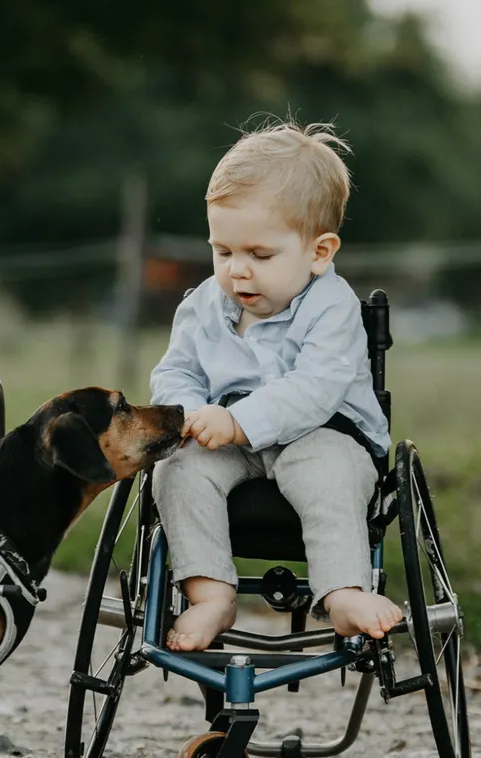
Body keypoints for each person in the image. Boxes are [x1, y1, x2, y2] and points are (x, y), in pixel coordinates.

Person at [149, 118, 403, 653]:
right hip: (226, 442)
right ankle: (210, 593)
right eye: (223, 252)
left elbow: (316, 388)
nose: (237, 271)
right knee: (176, 468)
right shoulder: (203, 305)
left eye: (260, 256)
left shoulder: (332, 307)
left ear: (319, 252)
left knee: (328, 474)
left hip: (325, 434)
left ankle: (343, 592)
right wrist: (190, 412)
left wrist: (239, 421)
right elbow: (176, 372)